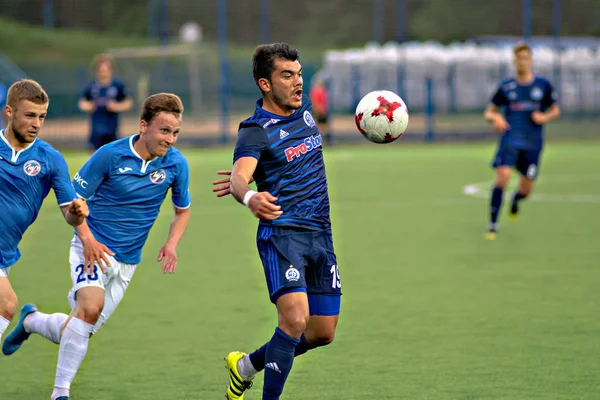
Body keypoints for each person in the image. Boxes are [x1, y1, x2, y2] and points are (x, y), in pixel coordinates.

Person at [3, 93, 192, 400]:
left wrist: (172, 244)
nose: (170, 139)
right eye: (164, 131)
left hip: (128, 261)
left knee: (77, 328)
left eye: (175, 133)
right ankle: (60, 393)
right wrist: (86, 237)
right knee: (90, 308)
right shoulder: (110, 155)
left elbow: (182, 211)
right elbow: (73, 201)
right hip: (91, 248)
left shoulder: (176, 165)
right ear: (144, 126)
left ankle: (32, 320)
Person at [213, 43, 342, 400]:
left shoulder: (304, 113)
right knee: (295, 320)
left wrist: (259, 177)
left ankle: (245, 367)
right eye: (287, 75)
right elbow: (240, 177)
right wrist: (249, 195)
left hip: (321, 235)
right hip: (283, 235)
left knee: (321, 333)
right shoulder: (254, 129)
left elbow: (284, 162)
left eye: (299, 74)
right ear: (265, 84)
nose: (297, 82)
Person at [0, 79, 88, 347]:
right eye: (29, 115)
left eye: (42, 117)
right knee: (6, 304)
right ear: (9, 112)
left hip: (5, 254)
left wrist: (78, 212)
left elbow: (69, 215)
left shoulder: (50, 159)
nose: (36, 123)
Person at [483, 42, 560, 240]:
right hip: (510, 139)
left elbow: (555, 110)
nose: (522, 62)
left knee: (526, 189)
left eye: (525, 58)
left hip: (533, 142)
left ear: (531, 61)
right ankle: (493, 224)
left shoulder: (542, 86)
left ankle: (517, 199)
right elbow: (489, 111)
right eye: (518, 58)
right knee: (502, 178)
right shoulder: (506, 87)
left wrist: (544, 117)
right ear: (514, 61)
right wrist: (497, 118)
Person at [78, 54, 133, 151]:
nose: (103, 73)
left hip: (112, 128)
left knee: (112, 154)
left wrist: (116, 106)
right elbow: (82, 103)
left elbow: (128, 103)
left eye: (106, 70)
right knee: (94, 155)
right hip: (96, 128)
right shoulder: (92, 87)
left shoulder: (118, 86)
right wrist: (90, 106)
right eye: (101, 70)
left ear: (111, 70)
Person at [308, 75, 331, 145]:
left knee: (323, 127)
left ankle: (322, 141)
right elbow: (315, 101)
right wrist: (319, 110)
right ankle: (319, 141)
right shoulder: (318, 91)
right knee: (321, 127)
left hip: (321, 111)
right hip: (320, 111)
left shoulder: (321, 91)